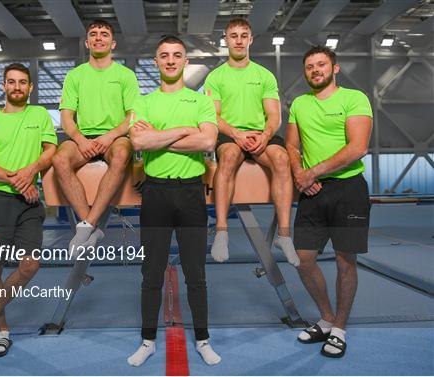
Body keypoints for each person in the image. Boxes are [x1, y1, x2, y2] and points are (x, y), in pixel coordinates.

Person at [127, 36, 220, 367]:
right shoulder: (143, 101)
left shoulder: (201, 102)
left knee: (196, 273)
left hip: (192, 193)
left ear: (185, 62)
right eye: (164, 56)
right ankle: (148, 339)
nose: (170, 60)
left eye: (176, 56)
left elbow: (208, 140)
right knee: (151, 273)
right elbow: (138, 139)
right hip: (155, 193)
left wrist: (160, 137)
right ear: (155, 62)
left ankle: (203, 339)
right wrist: (184, 133)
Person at [286, 45, 373, 358]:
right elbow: (292, 146)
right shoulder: (299, 103)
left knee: (344, 261)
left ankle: (340, 329)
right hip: (312, 191)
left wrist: (312, 172)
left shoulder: (354, 99)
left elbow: (358, 147)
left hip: (348, 189)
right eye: (309, 66)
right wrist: (300, 174)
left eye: (321, 64)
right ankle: (326, 318)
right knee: (303, 257)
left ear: (334, 68)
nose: (315, 70)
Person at [0, 63, 57, 357]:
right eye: (11, 82)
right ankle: (3, 332)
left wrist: (30, 170)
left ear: (31, 88)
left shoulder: (40, 115)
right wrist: (16, 179)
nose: (17, 86)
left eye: (23, 82)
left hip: (29, 202)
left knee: (30, 265)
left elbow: (50, 151)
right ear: (4, 87)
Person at [204, 18, 299, 266]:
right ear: (226, 40)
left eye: (243, 35)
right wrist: (236, 134)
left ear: (250, 39)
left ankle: (285, 235)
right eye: (233, 35)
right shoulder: (215, 77)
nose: (238, 40)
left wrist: (265, 136)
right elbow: (212, 116)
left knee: (281, 158)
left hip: (260, 134)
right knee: (229, 156)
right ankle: (222, 231)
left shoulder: (264, 75)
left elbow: (274, 116)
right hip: (229, 134)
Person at [52, 19, 139, 253]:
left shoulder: (125, 75)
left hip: (115, 137)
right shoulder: (75, 76)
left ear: (113, 43)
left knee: (122, 152)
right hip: (84, 137)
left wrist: (109, 136)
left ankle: (88, 224)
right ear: (87, 42)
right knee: (59, 159)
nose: (99, 37)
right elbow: (67, 118)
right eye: (94, 34)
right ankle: (90, 225)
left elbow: (132, 116)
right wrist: (80, 140)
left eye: (104, 34)